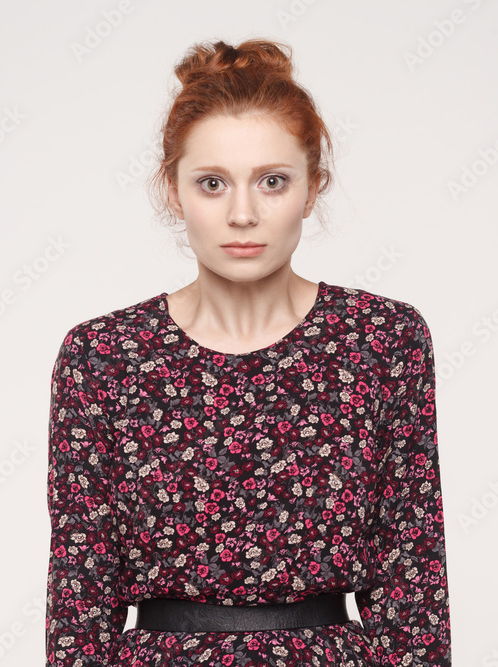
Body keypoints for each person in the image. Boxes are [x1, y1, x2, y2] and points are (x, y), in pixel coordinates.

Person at [46, 38, 451, 667]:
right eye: (212, 183)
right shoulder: (103, 357)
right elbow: (80, 597)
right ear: (173, 191)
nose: (242, 214)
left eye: (272, 182)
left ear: (313, 189)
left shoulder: (381, 340)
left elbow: (414, 584)